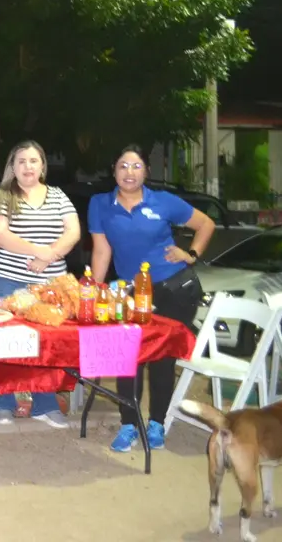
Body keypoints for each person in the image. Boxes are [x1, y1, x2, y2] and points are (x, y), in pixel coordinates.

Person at [89, 145, 214, 453]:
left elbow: (205, 224)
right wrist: (95, 288)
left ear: (145, 171)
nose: (129, 172)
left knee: (161, 357)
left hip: (173, 288)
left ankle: (157, 423)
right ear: (113, 170)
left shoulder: (163, 201)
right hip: (131, 291)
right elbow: (102, 250)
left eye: (135, 166)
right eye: (122, 166)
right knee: (126, 357)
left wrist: (192, 254)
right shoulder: (100, 204)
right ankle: (129, 423)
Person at [0, 140, 80, 429]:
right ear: (12, 167)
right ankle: (2, 404)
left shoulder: (58, 195)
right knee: (5, 344)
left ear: (43, 165)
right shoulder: (1, 196)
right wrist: (39, 251)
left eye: (34, 160)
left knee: (46, 347)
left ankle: (45, 404)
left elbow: (73, 231)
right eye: (22, 161)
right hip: (9, 280)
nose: (28, 166)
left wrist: (50, 255)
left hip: (51, 283)